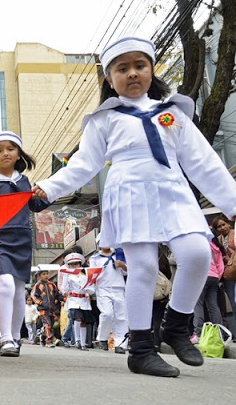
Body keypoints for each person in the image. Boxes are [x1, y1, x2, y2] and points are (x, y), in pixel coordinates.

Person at [33, 37, 236, 377]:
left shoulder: (171, 114)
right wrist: (49, 188)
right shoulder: (105, 119)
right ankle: (141, 349)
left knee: (198, 254)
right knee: (141, 267)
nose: (132, 74)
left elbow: (203, 162)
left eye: (139, 66)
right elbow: (83, 165)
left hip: (173, 191)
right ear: (109, 79)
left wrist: (231, 203)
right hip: (128, 193)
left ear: (151, 71)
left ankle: (176, 324)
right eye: (121, 68)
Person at [0, 131, 50, 357]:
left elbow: (35, 206)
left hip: (23, 240)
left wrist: (47, 194)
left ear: (19, 154)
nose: (5, 153)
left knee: (18, 290)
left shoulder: (24, 181)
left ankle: (15, 337)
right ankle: (5, 338)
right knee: (5, 284)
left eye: (10, 149)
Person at [88, 238, 128, 353]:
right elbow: (91, 275)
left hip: (119, 287)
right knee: (107, 314)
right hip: (103, 288)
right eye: (101, 241)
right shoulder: (95, 258)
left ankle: (120, 343)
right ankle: (103, 338)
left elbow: (128, 271)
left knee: (121, 317)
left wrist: (123, 265)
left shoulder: (119, 254)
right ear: (98, 244)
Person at [191, 230, 225, 343]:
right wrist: (217, 276)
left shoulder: (199, 245)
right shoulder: (216, 247)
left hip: (201, 277)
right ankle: (219, 332)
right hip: (214, 277)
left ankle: (198, 334)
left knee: (198, 305)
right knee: (213, 305)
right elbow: (220, 265)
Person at [61, 252, 96, 351]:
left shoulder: (85, 274)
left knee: (84, 322)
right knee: (78, 319)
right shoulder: (68, 275)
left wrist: (87, 290)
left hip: (84, 300)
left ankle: (83, 343)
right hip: (73, 300)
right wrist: (66, 276)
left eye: (76, 264)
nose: (74, 266)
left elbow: (91, 289)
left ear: (80, 264)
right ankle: (77, 341)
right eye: (71, 264)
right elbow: (65, 288)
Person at [212, 215, 236, 330]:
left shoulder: (234, 234)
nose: (222, 228)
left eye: (223, 224)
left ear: (228, 223)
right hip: (229, 274)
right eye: (218, 227)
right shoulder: (219, 239)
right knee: (233, 302)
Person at [31, 269, 63, 348]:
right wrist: (41, 303)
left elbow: (57, 294)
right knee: (47, 324)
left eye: (47, 274)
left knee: (50, 325)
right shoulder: (37, 285)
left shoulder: (52, 284)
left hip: (52, 308)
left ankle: (42, 337)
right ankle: (49, 341)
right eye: (44, 274)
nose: (46, 276)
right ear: (39, 276)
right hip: (43, 309)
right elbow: (34, 296)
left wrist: (64, 298)